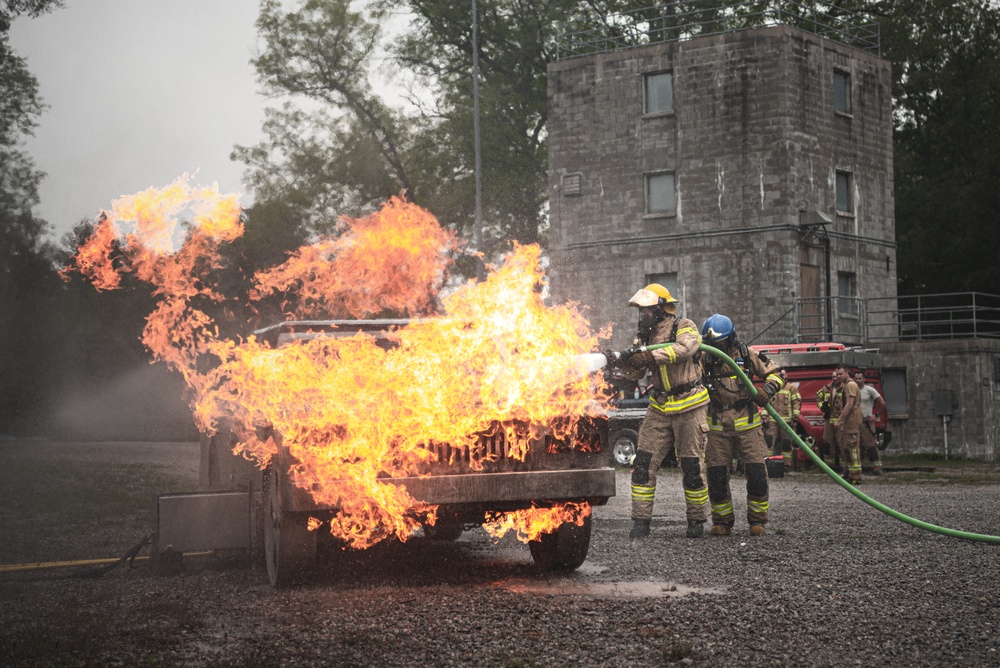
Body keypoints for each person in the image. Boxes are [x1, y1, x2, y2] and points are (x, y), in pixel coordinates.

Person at [604, 283, 710, 539]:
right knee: (642, 463)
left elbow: (685, 349)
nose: (642, 317)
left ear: (662, 309)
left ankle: (696, 522)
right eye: (640, 312)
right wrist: (621, 363)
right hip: (660, 406)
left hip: (689, 404)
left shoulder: (684, 326)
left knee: (692, 465)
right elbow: (637, 372)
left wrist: (650, 355)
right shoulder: (644, 338)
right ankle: (641, 522)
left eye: (647, 311)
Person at [699, 314, 784, 537]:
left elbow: (777, 373)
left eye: (720, 343)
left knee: (756, 473)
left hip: (747, 424)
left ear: (730, 339)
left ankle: (758, 521)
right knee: (716, 476)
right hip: (717, 427)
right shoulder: (703, 359)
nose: (716, 347)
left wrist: (767, 391)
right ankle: (722, 522)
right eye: (712, 344)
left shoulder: (746, 355)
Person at [832, 366, 863, 484]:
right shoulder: (846, 385)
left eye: (841, 374)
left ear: (847, 373)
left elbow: (849, 405)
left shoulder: (850, 385)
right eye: (837, 374)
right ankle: (848, 473)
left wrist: (839, 420)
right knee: (845, 448)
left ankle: (856, 476)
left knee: (852, 449)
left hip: (852, 423)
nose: (839, 376)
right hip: (848, 423)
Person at [767, 369, 802, 469]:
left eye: (783, 374)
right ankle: (768, 462)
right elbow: (766, 403)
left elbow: (796, 403)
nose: (782, 376)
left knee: (787, 443)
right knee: (769, 441)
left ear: (787, 375)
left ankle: (787, 464)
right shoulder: (772, 387)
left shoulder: (792, 388)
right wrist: (764, 416)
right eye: (780, 374)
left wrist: (795, 418)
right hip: (773, 421)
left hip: (787, 421)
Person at [854, 371, 886, 476]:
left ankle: (876, 467)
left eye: (860, 378)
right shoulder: (853, 390)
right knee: (856, 445)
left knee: (871, 445)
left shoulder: (870, 390)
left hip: (866, 422)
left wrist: (876, 416)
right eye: (856, 378)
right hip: (855, 421)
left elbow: (882, 402)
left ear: (864, 379)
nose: (858, 380)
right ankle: (858, 467)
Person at [816, 370, 839, 471]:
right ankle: (828, 467)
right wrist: (823, 407)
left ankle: (844, 467)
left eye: (836, 376)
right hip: (829, 420)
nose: (835, 379)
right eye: (833, 377)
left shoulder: (845, 388)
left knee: (841, 444)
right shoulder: (826, 388)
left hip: (840, 420)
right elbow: (818, 397)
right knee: (827, 443)